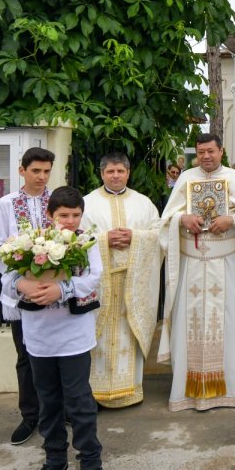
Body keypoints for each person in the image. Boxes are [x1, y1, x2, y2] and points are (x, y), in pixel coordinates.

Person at [0, 186, 105, 470]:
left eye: (75, 215)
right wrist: (22, 283)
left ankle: (91, 464)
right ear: (50, 215)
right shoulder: (29, 242)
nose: (70, 222)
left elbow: (94, 276)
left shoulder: (86, 241)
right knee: (47, 400)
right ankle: (55, 459)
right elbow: (7, 276)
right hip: (39, 335)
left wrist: (62, 289)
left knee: (78, 401)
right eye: (64, 216)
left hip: (74, 334)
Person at [157, 133, 235, 411]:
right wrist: (182, 218)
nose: (206, 156)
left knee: (229, 324)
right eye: (200, 152)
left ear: (221, 151)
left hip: (227, 265)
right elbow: (166, 220)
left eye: (211, 151)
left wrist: (231, 219)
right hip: (191, 264)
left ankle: (232, 390)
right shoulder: (186, 179)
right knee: (189, 324)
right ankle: (187, 393)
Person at [81, 153, 162, 409]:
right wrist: (104, 239)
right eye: (110, 172)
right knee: (99, 336)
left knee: (129, 333)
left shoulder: (144, 203)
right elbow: (76, 237)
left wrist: (136, 238)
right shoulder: (87, 203)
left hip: (132, 280)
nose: (115, 175)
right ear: (101, 174)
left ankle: (130, 390)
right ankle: (95, 393)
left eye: (120, 171)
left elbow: (159, 235)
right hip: (100, 283)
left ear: (128, 172)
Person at [0, 146, 53, 446]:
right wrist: (20, 283)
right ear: (21, 170)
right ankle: (30, 415)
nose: (41, 177)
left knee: (57, 355)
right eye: (36, 171)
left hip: (55, 292)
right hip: (20, 292)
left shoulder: (58, 200)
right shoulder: (7, 204)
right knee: (26, 357)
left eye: (46, 171)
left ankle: (56, 411)